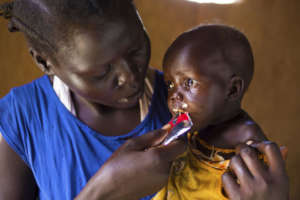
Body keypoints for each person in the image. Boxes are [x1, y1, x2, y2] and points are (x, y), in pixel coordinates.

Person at [0, 1, 289, 200]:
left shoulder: (196, 104)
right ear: (45, 62)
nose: (130, 77)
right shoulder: (23, 118)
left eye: (136, 48)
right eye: (102, 72)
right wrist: (104, 192)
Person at [152, 24, 289, 200]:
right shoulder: (191, 123)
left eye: (188, 83)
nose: (174, 96)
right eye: (170, 84)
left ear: (232, 90)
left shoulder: (248, 138)